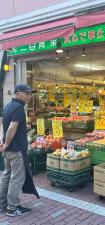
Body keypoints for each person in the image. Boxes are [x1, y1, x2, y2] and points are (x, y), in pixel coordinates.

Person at [0, 84, 39, 217]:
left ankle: (2, 204)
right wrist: (6, 144)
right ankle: (12, 208)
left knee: (6, 175)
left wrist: (3, 142)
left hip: (9, 149)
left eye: (30, 93)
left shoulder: (8, 106)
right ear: (18, 93)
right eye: (26, 93)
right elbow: (11, 127)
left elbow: (3, 124)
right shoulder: (18, 108)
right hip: (16, 150)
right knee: (16, 178)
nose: (29, 96)